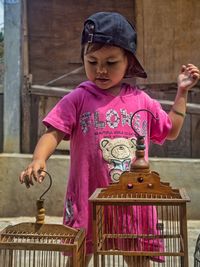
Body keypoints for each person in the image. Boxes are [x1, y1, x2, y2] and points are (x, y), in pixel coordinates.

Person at [19, 11, 199, 266]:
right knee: (79, 256)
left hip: (132, 202)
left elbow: (170, 130)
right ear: (83, 58)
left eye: (111, 62)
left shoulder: (142, 101)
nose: (100, 70)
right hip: (87, 201)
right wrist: (38, 159)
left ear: (129, 62)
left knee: (137, 259)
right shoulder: (78, 98)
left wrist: (182, 91)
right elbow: (53, 132)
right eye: (92, 61)